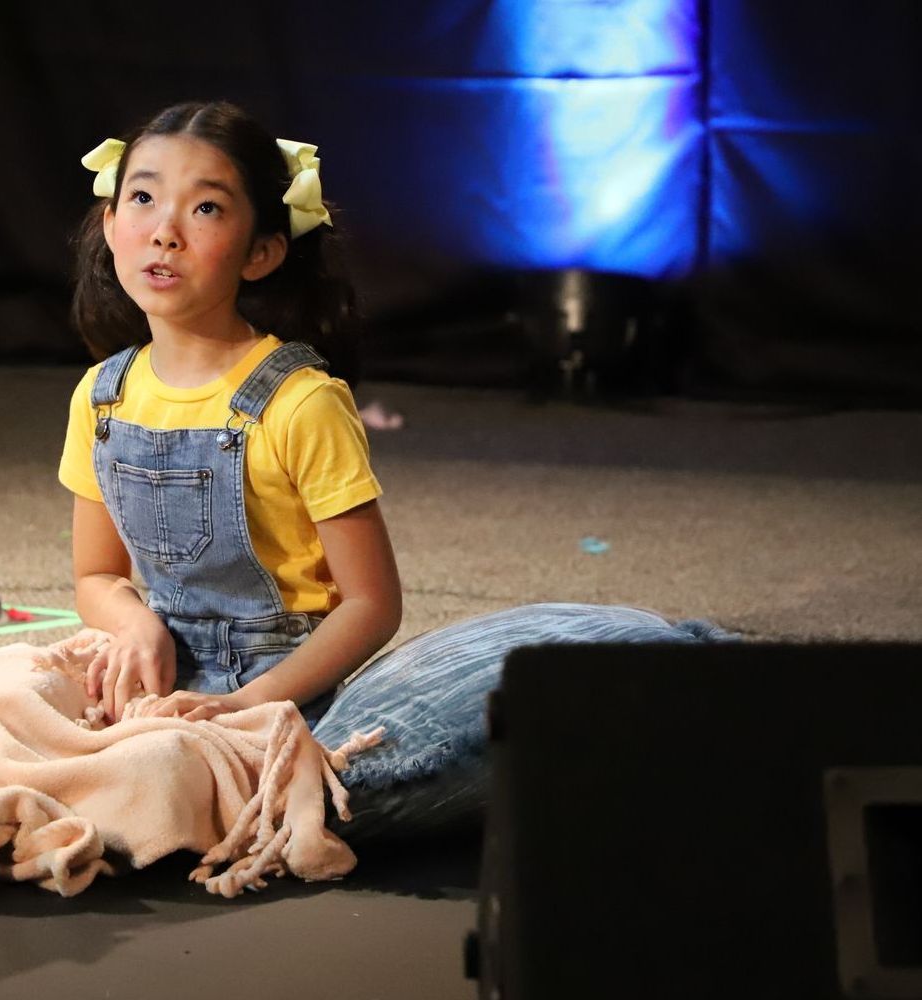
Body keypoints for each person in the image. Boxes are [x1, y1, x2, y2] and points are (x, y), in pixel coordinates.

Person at [58, 100, 731, 841]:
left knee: (308, 794)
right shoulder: (102, 396)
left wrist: (250, 705)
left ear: (262, 252)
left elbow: (371, 605)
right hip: (167, 690)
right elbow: (96, 576)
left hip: (299, 697)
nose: (165, 230)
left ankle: (678, 673)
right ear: (110, 224)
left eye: (206, 208)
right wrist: (135, 627)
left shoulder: (299, 402)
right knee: (6, 720)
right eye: (143, 198)